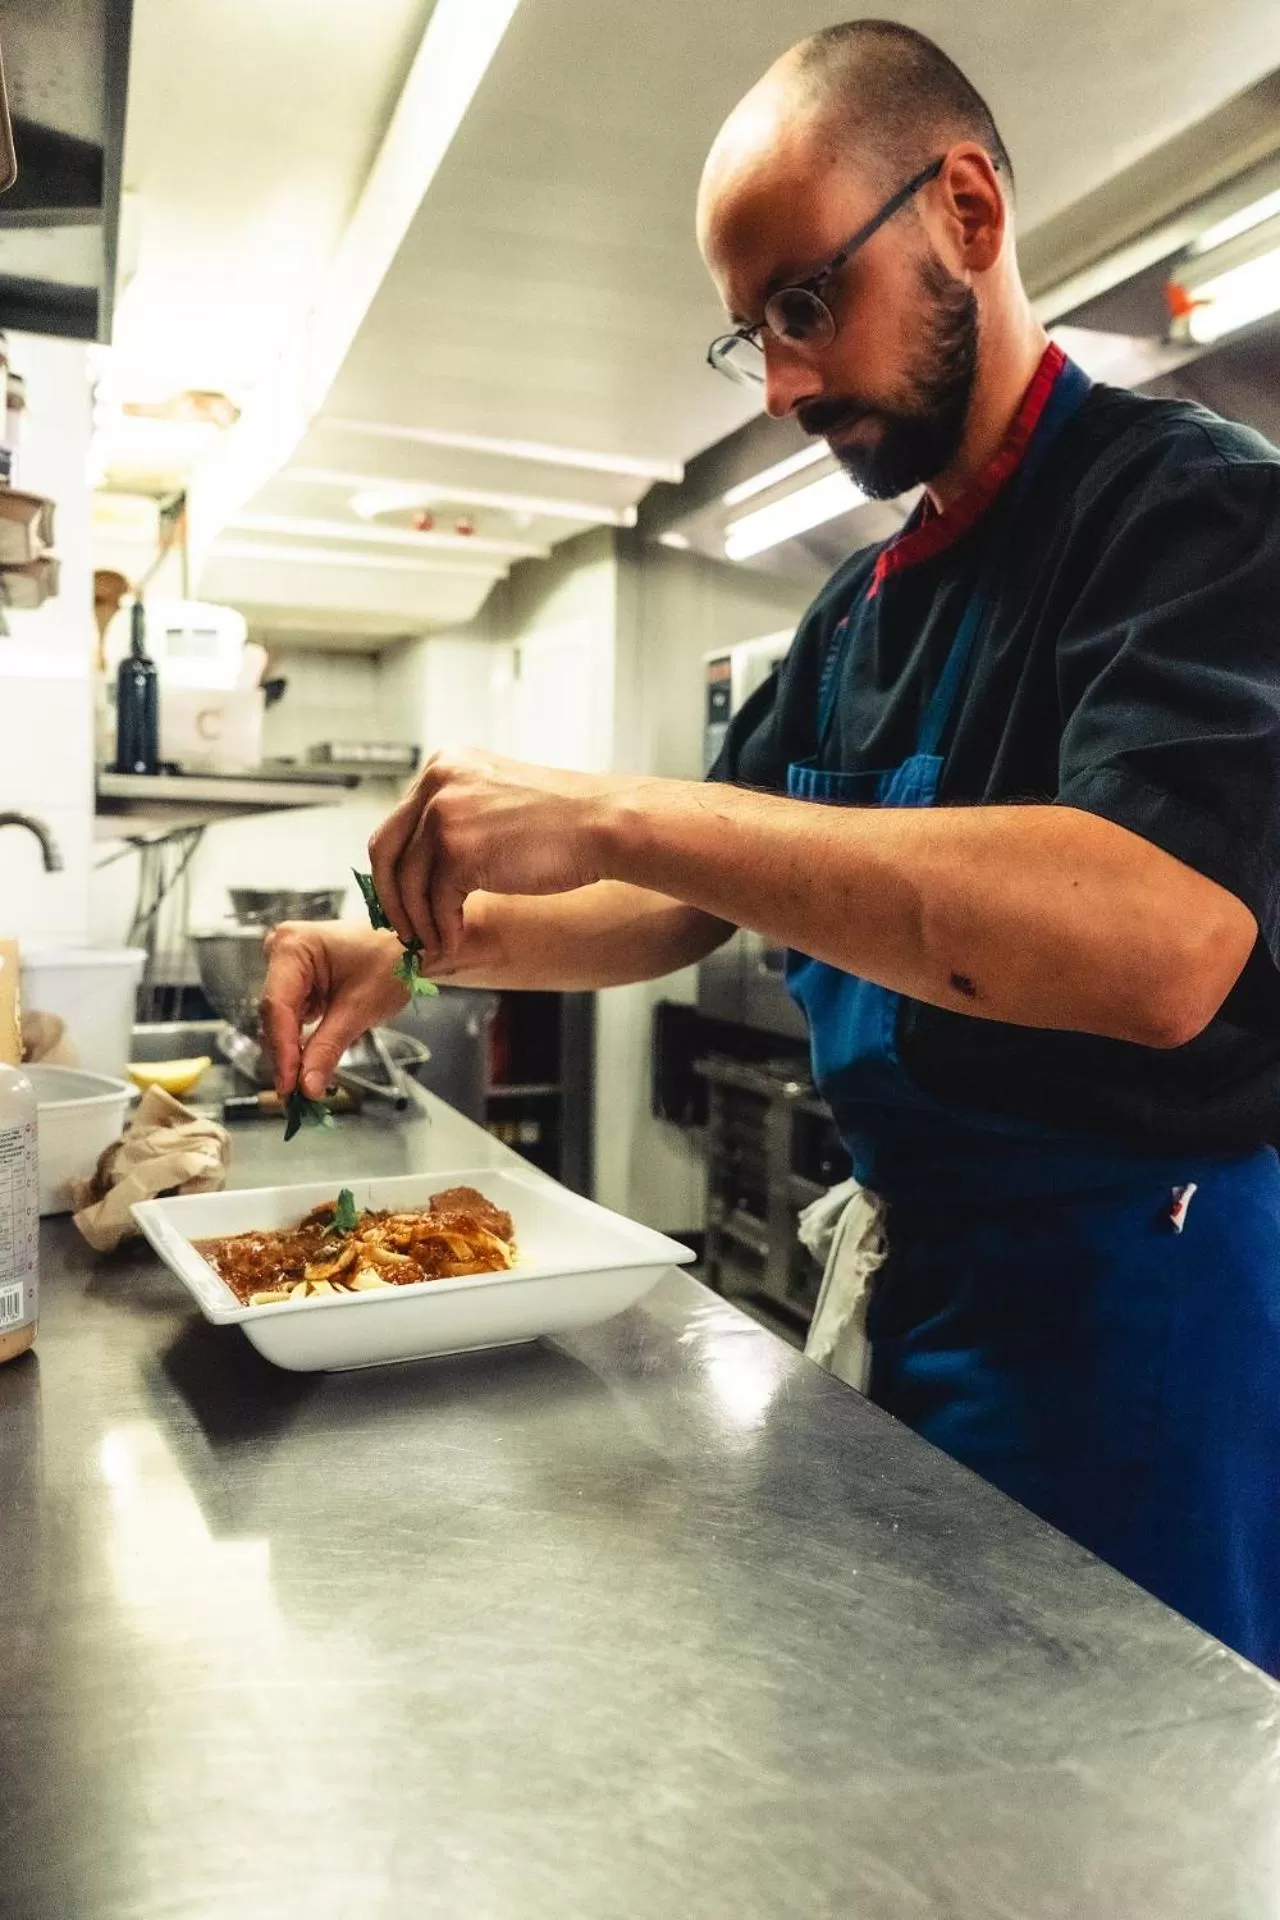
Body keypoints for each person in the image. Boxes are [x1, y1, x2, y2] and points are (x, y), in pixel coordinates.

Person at [261, 21, 1280, 1674]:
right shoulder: (856, 615)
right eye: (755, 334)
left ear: (965, 208)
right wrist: (405, 955)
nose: (787, 378)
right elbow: (672, 903)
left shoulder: (1190, 518)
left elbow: (1161, 948)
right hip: (927, 1278)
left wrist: (609, 802)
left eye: (807, 302)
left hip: (1137, 1323)